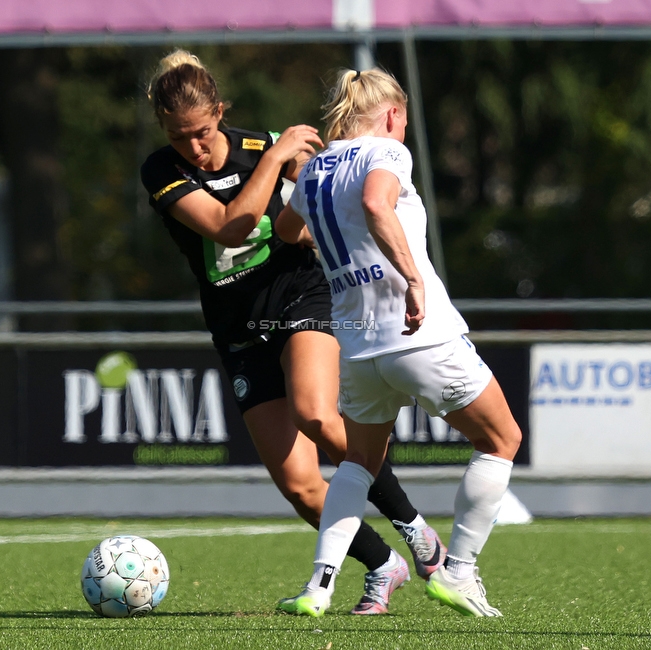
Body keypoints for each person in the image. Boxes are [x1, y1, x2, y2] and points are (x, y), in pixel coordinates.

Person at [139, 50, 446, 615]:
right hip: (236, 323)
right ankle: (383, 564)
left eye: (204, 133)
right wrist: (276, 157)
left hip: (302, 295)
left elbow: (326, 204)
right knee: (300, 483)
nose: (195, 148)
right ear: (163, 127)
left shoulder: (266, 145)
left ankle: (416, 528)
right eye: (181, 137)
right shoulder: (164, 170)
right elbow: (228, 226)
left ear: (220, 113)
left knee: (314, 412)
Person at [274, 68, 523, 618]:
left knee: (357, 463)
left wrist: (342, 253)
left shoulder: (315, 168)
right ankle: (458, 572)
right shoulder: (386, 152)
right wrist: (411, 278)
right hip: (418, 335)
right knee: (501, 438)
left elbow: (286, 231)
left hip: (358, 347)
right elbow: (375, 203)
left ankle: (319, 587)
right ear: (392, 116)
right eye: (403, 123)